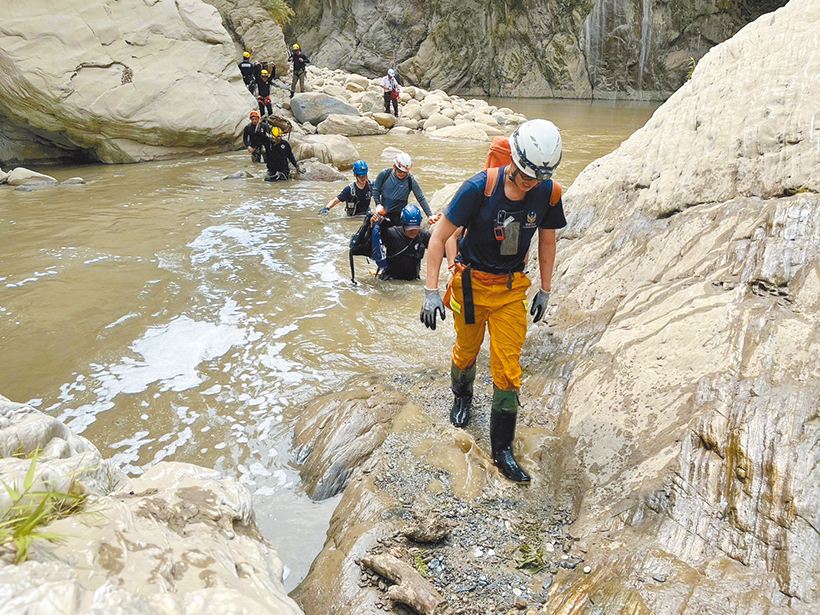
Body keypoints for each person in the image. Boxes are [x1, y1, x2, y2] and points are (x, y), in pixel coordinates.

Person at [419, 119, 566, 484]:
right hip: (470, 285)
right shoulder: (478, 189)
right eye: (525, 175)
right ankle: (462, 396)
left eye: (537, 178)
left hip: (510, 290)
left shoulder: (549, 193)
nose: (530, 183)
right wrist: (431, 291)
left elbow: (547, 241)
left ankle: (502, 448)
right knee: (466, 352)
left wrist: (545, 289)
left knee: (507, 366)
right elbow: (438, 238)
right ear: (513, 159)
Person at [373, 153, 435, 227]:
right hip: (384, 213)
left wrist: (430, 215)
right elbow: (376, 190)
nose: (402, 174)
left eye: (404, 172)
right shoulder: (385, 174)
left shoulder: (410, 180)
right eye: (399, 171)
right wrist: (378, 204)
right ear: (394, 167)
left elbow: (420, 198)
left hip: (399, 217)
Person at [372, 204, 430, 280]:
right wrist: (372, 224)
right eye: (409, 228)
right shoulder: (391, 234)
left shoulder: (423, 236)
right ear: (403, 225)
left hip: (413, 280)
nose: (413, 231)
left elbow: (441, 248)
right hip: (391, 280)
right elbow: (371, 244)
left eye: (416, 228)